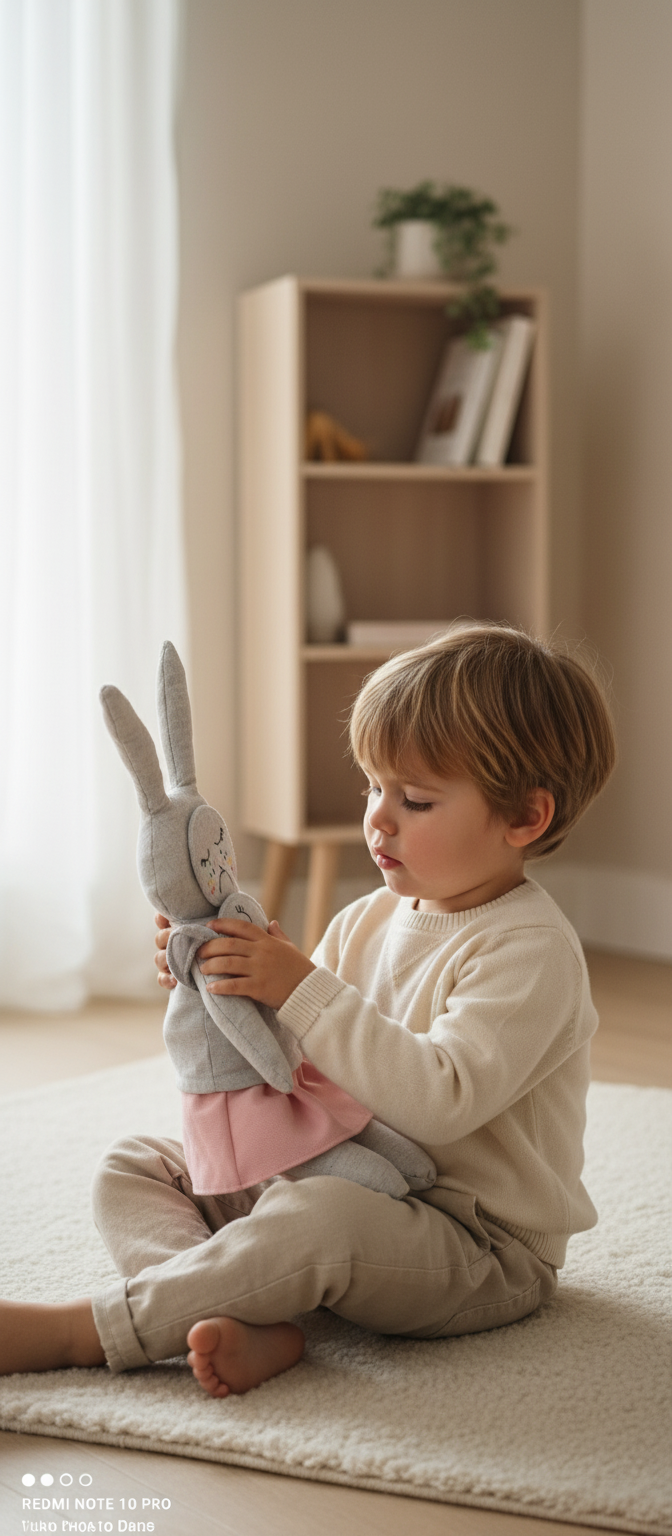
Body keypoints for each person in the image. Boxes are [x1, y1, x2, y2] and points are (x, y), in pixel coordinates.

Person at [0, 623, 616, 1401]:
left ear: (524, 819)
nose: (379, 818)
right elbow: (303, 1065)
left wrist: (299, 988)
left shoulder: (532, 952)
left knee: (321, 1220)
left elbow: (440, 1096)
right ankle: (227, 1308)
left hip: (466, 1239)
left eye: (416, 799)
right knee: (136, 1163)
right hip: (338, 1168)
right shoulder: (368, 919)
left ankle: (85, 1333)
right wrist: (226, 982)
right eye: (373, 787)